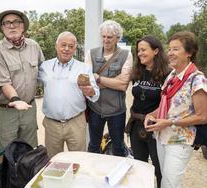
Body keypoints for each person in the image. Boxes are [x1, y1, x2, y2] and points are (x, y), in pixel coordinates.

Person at [144, 31, 207, 188]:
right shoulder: (172, 75)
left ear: (189, 53)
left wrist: (168, 122)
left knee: (169, 184)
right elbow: (167, 105)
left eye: (176, 49)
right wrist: (150, 115)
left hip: (180, 140)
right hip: (162, 136)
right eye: (169, 49)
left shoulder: (197, 79)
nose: (170, 53)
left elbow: (202, 116)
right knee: (165, 179)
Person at [38, 31, 99, 158]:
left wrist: (90, 91)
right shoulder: (45, 66)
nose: (66, 49)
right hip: (52, 124)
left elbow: (95, 94)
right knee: (52, 162)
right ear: (56, 46)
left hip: (75, 122)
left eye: (70, 46)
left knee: (79, 161)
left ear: (74, 49)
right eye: (63, 45)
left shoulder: (83, 68)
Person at [0, 10, 44, 150]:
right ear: (2, 28)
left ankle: (28, 173)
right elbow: (4, 83)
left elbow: (43, 72)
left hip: (29, 109)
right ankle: (7, 173)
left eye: (16, 22)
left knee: (30, 151)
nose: (11, 26)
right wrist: (15, 100)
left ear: (22, 26)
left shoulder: (34, 46)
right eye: (6, 23)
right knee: (7, 153)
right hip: (7, 111)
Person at [85, 20, 133, 156]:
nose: (106, 40)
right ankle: (94, 174)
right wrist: (113, 82)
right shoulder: (91, 53)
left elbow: (123, 85)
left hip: (116, 110)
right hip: (95, 108)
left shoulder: (126, 55)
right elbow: (87, 81)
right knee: (94, 146)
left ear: (118, 38)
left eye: (110, 37)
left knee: (118, 146)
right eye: (103, 36)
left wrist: (98, 78)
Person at [127, 36, 170, 188]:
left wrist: (152, 116)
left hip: (156, 127)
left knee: (159, 169)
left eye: (143, 50)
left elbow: (169, 103)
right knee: (139, 167)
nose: (140, 53)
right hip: (137, 126)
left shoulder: (168, 75)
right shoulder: (137, 72)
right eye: (138, 50)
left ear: (156, 51)